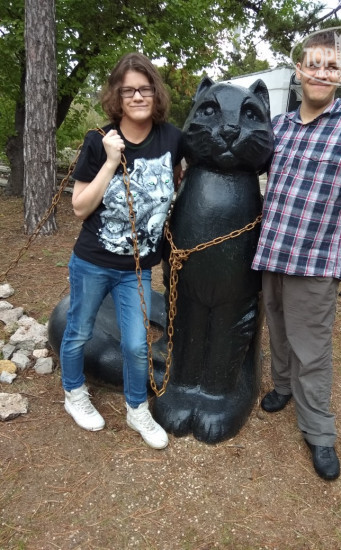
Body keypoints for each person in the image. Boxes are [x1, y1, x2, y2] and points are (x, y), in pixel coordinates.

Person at [252, 32, 341, 480]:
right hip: (271, 253)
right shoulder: (279, 127)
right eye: (314, 65)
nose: (321, 73)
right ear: (300, 71)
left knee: (311, 350)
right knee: (277, 331)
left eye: (331, 67)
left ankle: (319, 432)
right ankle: (283, 387)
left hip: (315, 262)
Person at [60, 52, 183, 449]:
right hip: (93, 261)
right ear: (117, 95)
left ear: (155, 92)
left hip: (138, 268)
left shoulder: (172, 138)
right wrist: (111, 161)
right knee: (79, 331)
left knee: (135, 344)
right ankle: (73, 393)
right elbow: (80, 207)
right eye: (128, 90)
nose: (137, 96)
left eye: (145, 89)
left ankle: (137, 409)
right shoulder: (99, 141)